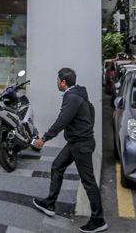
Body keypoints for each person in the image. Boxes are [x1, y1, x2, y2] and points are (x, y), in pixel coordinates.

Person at [32, 68, 107, 233]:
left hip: (81, 144)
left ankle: (98, 220)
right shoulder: (79, 94)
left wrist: (43, 139)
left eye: (57, 80)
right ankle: (50, 204)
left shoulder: (72, 97)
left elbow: (62, 121)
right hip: (77, 142)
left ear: (63, 82)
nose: (57, 82)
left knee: (88, 182)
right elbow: (91, 110)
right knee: (57, 166)